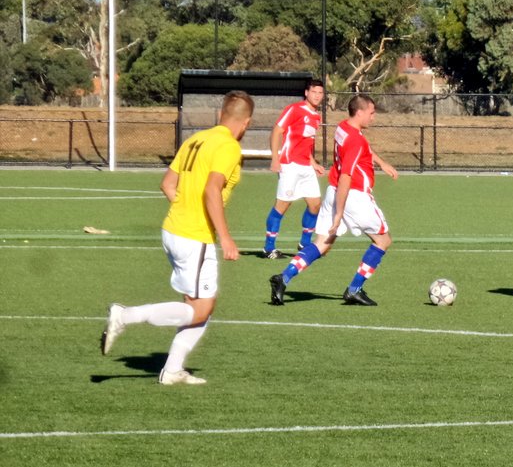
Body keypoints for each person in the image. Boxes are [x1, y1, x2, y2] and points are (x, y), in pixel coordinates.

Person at [101, 90, 254, 385]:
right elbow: (212, 190)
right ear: (246, 122)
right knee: (202, 309)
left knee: (194, 305)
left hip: (174, 229)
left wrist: (185, 209)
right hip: (194, 235)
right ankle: (125, 315)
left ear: (221, 114)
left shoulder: (196, 140)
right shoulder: (228, 147)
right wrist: (226, 237)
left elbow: (168, 184)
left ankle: (172, 370)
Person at [269, 94, 398, 306]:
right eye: (371, 113)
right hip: (353, 197)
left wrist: (381, 163)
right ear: (360, 112)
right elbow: (347, 174)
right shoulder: (356, 140)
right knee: (383, 240)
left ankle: (283, 278)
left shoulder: (343, 128)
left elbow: (362, 147)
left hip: (333, 191)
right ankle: (355, 289)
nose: (373, 117)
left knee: (322, 244)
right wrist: (339, 214)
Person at [262, 79, 326, 259]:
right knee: (282, 205)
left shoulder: (316, 116)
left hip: (305, 166)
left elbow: (306, 144)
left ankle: (304, 244)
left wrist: (313, 163)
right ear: (306, 93)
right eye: (314, 92)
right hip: (290, 165)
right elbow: (277, 131)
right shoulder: (294, 109)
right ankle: (268, 248)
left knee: (315, 205)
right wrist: (275, 158)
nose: (317, 96)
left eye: (320, 93)